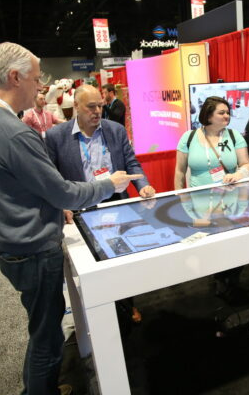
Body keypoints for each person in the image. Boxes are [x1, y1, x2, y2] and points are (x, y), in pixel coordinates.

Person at [0, 42, 141, 395]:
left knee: (42, 326)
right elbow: (63, 192)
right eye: (36, 79)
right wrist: (108, 184)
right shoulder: (15, 132)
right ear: (15, 77)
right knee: (46, 337)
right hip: (35, 249)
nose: (41, 87)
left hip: (10, 244)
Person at [46, 84, 155, 324]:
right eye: (91, 107)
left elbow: (131, 162)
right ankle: (97, 313)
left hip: (116, 204)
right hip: (81, 207)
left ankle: (127, 305)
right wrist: (62, 205)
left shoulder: (115, 130)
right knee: (92, 264)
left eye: (100, 106)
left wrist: (142, 186)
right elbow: (52, 177)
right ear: (76, 106)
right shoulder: (56, 136)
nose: (97, 111)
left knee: (122, 258)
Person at [174, 96, 249, 301]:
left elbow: (246, 164)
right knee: (210, 247)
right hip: (199, 204)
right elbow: (179, 172)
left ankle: (231, 281)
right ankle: (219, 279)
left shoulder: (234, 136)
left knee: (234, 245)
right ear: (208, 115)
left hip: (230, 202)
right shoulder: (189, 138)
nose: (227, 116)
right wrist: (179, 199)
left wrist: (239, 174)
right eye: (221, 112)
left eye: (228, 112)